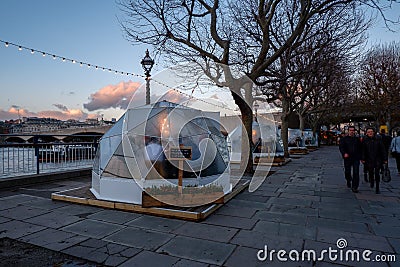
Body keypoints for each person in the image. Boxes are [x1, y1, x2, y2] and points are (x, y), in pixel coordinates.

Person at [361, 127, 387, 194]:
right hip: (368, 159)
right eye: (368, 132)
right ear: (366, 133)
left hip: (377, 158)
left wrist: (385, 159)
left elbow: (382, 149)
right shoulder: (365, 140)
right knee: (371, 171)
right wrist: (363, 158)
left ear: (374, 132)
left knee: (377, 173)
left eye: (371, 131)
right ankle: (372, 181)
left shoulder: (378, 139)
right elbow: (363, 150)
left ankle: (377, 187)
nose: (370, 133)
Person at [339, 126, 362, 193]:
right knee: (347, 171)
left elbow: (361, 148)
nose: (352, 131)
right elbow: (341, 147)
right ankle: (348, 179)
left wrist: (361, 156)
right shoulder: (344, 139)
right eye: (350, 130)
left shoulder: (357, 139)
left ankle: (355, 187)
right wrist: (344, 153)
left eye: (353, 130)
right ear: (348, 131)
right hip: (347, 158)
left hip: (356, 158)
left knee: (356, 172)